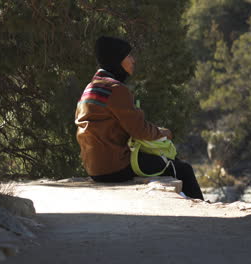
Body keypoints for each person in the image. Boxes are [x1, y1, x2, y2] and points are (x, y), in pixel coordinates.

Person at [75, 36, 204, 200]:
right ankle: (203, 208)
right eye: (128, 56)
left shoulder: (90, 88)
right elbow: (139, 130)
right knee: (183, 169)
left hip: (94, 168)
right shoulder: (116, 89)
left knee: (166, 161)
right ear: (117, 59)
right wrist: (163, 133)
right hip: (116, 168)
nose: (133, 60)